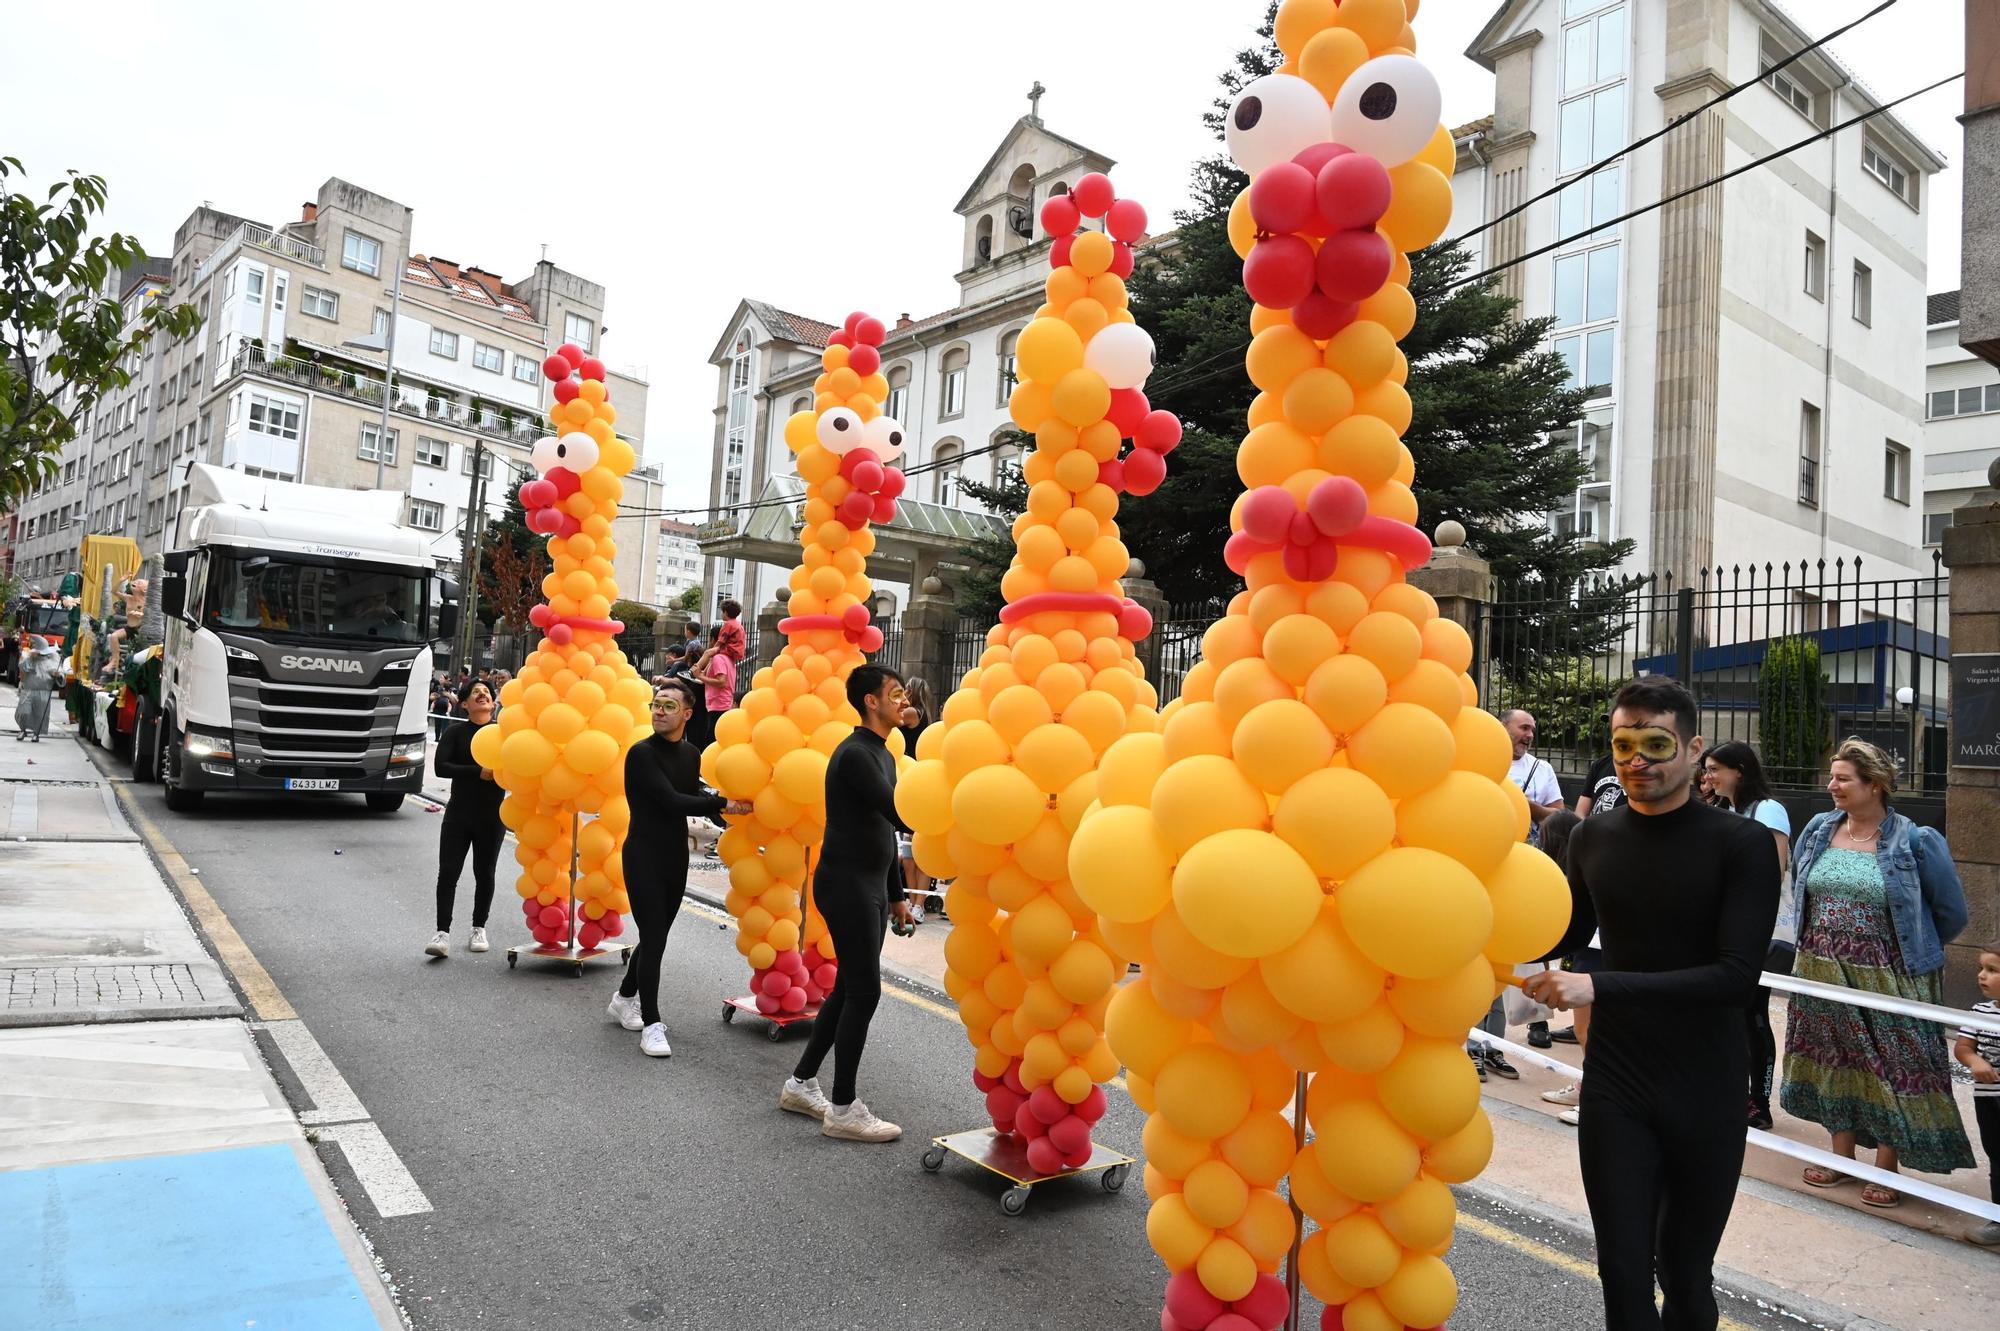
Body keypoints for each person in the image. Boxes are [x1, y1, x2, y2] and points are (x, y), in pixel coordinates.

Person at [1523, 676, 1780, 1331]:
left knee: (1686, 1278)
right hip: (1618, 1081)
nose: (1637, 759)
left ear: (1693, 749)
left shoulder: (1741, 844)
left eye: (1655, 742)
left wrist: (1599, 985)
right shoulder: (1593, 837)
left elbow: (1734, 977)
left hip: (1708, 1084)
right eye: (1623, 743)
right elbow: (1566, 935)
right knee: (1623, 1274)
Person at [1782, 738, 1972, 1205]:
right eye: (1832, 776)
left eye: (1843, 779)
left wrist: (1900, 947)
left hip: (1890, 979)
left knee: (1894, 1067)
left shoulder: (1916, 840)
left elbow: (1951, 913)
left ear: (1876, 785)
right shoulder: (1819, 829)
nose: (1832, 786)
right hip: (1821, 972)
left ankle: (1887, 1167)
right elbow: (1800, 887)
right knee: (1832, 1062)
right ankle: (1841, 1158)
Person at [779, 664, 917, 1141]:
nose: (903, 700)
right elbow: (900, 812)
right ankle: (843, 1108)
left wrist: (897, 895)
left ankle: (800, 1083)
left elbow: (884, 828)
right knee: (864, 991)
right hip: (846, 885)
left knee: (848, 988)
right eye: (894, 693)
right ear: (871, 702)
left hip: (872, 885)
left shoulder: (885, 755)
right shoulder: (856, 753)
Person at [607, 679, 751, 1057]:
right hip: (642, 856)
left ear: (687, 713)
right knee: (654, 937)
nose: (659, 711)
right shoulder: (641, 754)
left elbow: (692, 796)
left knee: (657, 936)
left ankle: (624, 997)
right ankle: (652, 1023)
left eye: (669, 706)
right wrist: (722, 802)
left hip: (675, 856)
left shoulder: (691, 755)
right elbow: (671, 801)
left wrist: (730, 812)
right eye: (656, 704)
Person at [1702, 741, 1795, 1128]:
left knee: (1751, 1013)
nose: (1707, 777)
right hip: (1724, 928)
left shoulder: (1768, 811)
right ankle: (1729, 1090)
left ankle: (1759, 1100)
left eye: (1714, 769)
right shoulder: (1724, 810)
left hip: (1759, 931)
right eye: (1705, 769)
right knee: (1726, 1014)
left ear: (1739, 770)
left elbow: (1774, 868)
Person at [426, 683, 505, 959]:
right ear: (464, 704)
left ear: (493, 704)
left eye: (487, 692)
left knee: (485, 874)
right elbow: (440, 766)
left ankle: (478, 927)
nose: (483, 695)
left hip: (492, 817)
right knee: (448, 872)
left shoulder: (504, 735)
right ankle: (442, 933)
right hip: (458, 814)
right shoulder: (456, 732)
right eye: (475, 692)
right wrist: (476, 772)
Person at [1954, 941, 2000, 1246]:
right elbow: (1963, 1047)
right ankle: (1998, 1219)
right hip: (1988, 1100)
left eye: (1992, 970)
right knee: (1997, 1156)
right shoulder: (1980, 1011)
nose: (1982, 976)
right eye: (1981, 969)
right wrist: (1975, 1061)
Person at [896, 678, 941, 921]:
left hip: (914, 782)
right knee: (909, 854)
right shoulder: (923, 715)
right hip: (909, 781)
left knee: (916, 851)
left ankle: (919, 902)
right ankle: (914, 902)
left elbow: (893, 719)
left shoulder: (913, 712)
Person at [1505, 709, 1565, 840]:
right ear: (1503, 727)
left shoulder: (1542, 768)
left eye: (1532, 730)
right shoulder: (1484, 761)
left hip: (1531, 852)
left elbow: (1559, 818)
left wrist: (1526, 805)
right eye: (1524, 728)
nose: (1530, 735)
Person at [691, 628, 736, 745]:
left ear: (713, 640)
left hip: (719, 704)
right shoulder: (725, 657)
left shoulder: (719, 658)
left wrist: (699, 676)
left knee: (712, 742)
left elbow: (722, 682)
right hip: (719, 703)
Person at [13, 641, 59, 742]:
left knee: (40, 714)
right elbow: (22, 667)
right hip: (28, 690)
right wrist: (30, 657)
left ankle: (36, 733)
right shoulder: (28, 658)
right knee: (23, 711)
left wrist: (57, 675)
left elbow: (59, 674)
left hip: (43, 691)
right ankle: (22, 730)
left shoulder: (52, 660)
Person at [716, 597, 746, 664]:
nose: (721, 614)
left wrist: (713, 649)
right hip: (739, 652)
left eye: (722, 612)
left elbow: (720, 642)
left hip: (730, 650)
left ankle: (694, 671)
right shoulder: (739, 625)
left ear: (726, 612)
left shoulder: (728, 624)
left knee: (708, 653)